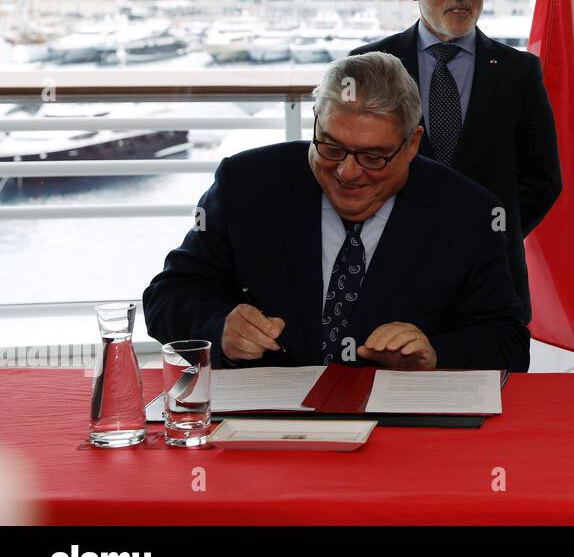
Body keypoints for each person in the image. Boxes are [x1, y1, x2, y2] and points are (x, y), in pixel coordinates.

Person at [143, 52, 530, 372]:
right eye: (330, 147)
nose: (347, 171)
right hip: (261, 431)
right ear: (316, 123)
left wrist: (435, 354)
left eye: (373, 157)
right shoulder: (246, 185)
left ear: (412, 144)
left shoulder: (467, 212)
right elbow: (166, 297)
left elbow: (509, 343)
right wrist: (219, 327)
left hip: (401, 438)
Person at [352, 0, 562, 321]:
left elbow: (544, 178)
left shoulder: (519, 72)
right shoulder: (368, 67)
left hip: (492, 279)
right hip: (388, 276)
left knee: (498, 382)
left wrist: (489, 232)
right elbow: (347, 170)